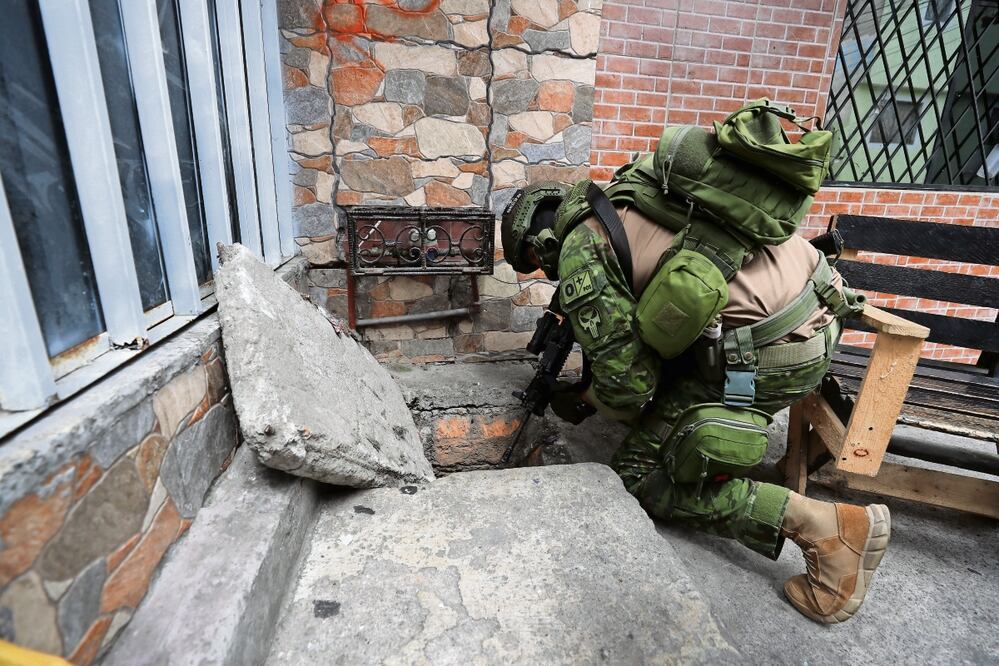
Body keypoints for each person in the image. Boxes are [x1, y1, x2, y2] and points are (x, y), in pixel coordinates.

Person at [499, 179, 891, 624]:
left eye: (534, 262)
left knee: (635, 475)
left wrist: (583, 397)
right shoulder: (627, 195)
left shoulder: (580, 248)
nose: (545, 272)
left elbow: (628, 388)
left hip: (775, 351)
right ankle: (702, 442)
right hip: (823, 305)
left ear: (541, 240)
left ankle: (825, 529)